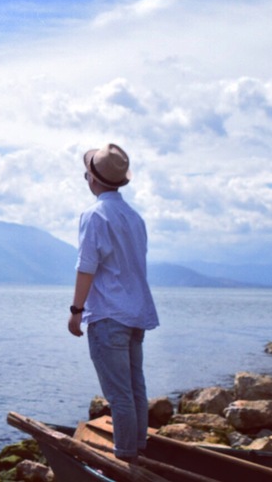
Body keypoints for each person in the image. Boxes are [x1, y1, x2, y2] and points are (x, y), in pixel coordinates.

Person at [68, 143, 159, 463]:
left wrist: (76, 311)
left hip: (108, 315)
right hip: (136, 313)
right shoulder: (135, 218)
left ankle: (125, 459)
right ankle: (138, 449)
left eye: (86, 174)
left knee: (119, 394)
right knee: (135, 388)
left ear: (92, 179)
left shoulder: (94, 215)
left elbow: (86, 267)